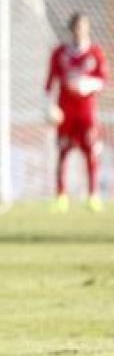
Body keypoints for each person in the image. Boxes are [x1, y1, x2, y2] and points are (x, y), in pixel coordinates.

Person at [46, 13, 108, 213]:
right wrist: (48, 106)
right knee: (62, 154)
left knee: (91, 153)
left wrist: (87, 85)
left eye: (83, 26)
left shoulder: (96, 53)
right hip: (65, 113)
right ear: (71, 28)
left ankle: (93, 196)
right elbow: (50, 82)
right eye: (76, 26)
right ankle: (61, 196)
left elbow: (104, 80)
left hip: (87, 114)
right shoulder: (59, 53)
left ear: (88, 28)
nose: (79, 30)